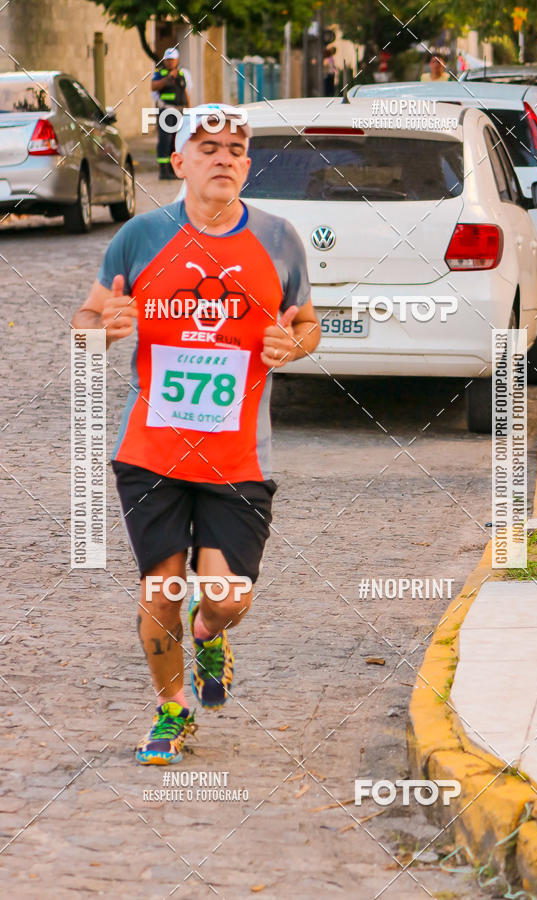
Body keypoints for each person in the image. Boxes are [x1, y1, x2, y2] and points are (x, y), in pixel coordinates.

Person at [71, 104, 321, 765]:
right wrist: (103, 327)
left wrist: (290, 345)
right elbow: (85, 319)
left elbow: (308, 324)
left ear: (246, 164)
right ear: (178, 163)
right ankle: (173, 710)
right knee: (161, 589)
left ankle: (209, 631)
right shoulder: (140, 237)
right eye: (207, 147)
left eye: (236, 150)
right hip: (151, 449)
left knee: (226, 596)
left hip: (239, 454)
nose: (224, 158)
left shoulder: (278, 239)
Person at [152, 48, 190, 179]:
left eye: (172, 59)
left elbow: (185, 92)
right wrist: (168, 78)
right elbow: (153, 86)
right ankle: (163, 171)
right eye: (167, 60)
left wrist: (189, 110)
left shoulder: (182, 74)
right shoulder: (160, 73)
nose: (169, 62)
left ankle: (173, 169)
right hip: (166, 111)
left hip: (180, 111)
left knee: (177, 139)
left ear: (177, 60)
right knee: (165, 140)